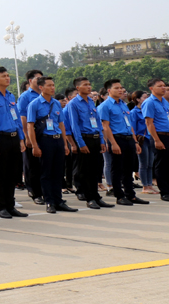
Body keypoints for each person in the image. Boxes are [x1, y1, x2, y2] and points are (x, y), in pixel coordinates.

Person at [0, 67, 28, 219]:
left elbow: (16, 119)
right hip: (0, 138)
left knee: (13, 173)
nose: (8, 78)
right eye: (4, 76)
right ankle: (1, 207)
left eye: (8, 75)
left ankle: (11, 205)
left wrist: (21, 138)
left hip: (14, 137)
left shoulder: (10, 95)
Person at [26, 77, 77, 214]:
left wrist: (65, 143)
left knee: (58, 172)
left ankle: (59, 201)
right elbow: (30, 126)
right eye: (49, 85)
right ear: (41, 87)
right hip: (44, 140)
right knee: (46, 173)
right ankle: (49, 201)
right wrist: (35, 146)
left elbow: (61, 124)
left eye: (53, 85)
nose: (53, 88)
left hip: (57, 140)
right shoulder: (34, 104)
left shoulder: (56, 103)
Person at [97, 79, 146, 206]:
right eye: (117, 88)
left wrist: (135, 142)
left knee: (128, 168)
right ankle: (119, 195)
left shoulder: (123, 104)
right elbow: (105, 126)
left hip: (129, 139)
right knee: (116, 168)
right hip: (117, 138)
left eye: (121, 88)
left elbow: (129, 125)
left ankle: (131, 195)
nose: (120, 90)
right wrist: (113, 143)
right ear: (109, 90)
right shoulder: (105, 106)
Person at [67, 77, 112, 210]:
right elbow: (74, 125)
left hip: (95, 138)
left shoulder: (91, 102)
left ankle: (97, 197)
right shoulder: (73, 104)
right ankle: (89, 198)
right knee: (85, 171)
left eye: (89, 84)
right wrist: (80, 143)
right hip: (84, 138)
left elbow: (98, 122)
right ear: (78, 88)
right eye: (85, 85)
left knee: (95, 170)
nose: (89, 87)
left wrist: (101, 140)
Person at [17, 70, 44, 205]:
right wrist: (26, 137)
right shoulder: (25, 97)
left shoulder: (45, 95)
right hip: (31, 133)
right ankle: (34, 192)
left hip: (45, 134)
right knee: (32, 165)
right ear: (30, 81)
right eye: (37, 78)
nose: (40, 81)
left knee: (44, 165)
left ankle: (44, 191)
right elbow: (23, 118)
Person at [142, 79, 169, 201]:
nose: (163, 88)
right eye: (160, 86)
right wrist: (157, 140)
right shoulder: (149, 103)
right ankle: (164, 192)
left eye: (164, 86)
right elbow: (149, 123)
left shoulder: (165, 102)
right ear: (151, 88)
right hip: (159, 136)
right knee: (161, 164)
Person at [130, 91, 155, 194]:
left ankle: (150, 184)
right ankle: (145, 186)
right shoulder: (134, 112)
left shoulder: (147, 110)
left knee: (150, 164)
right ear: (138, 99)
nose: (147, 99)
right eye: (144, 97)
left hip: (150, 138)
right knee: (143, 163)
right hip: (142, 139)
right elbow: (133, 129)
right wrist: (135, 142)